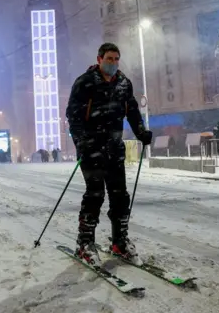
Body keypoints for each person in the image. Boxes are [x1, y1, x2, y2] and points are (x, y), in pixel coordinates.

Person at [66, 43, 153, 266]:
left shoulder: (124, 83)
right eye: (109, 58)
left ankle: (119, 241)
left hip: (114, 148)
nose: (113, 63)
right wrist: (81, 142)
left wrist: (141, 131)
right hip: (91, 147)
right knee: (95, 194)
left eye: (116, 59)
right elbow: (73, 116)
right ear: (99, 59)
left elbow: (132, 111)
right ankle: (85, 243)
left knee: (120, 195)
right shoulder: (85, 82)